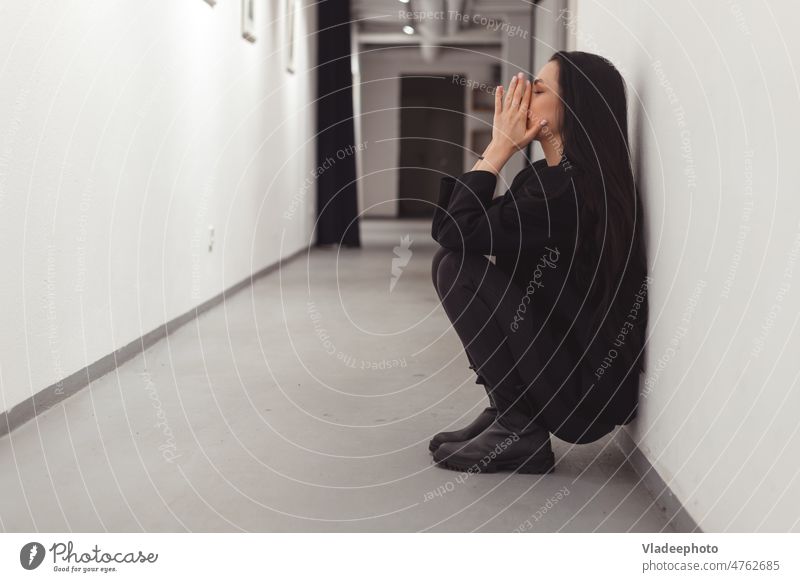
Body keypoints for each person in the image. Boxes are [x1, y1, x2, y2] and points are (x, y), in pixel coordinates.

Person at [429, 51, 649, 474]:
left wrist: (497, 148)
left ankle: (518, 426)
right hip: (563, 364)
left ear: (575, 109)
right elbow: (456, 229)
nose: (524, 93)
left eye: (541, 88)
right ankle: (510, 412)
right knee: (450, 262)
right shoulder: (547, 180)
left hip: (583, 391)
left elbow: (458, 232)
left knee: (456, 267)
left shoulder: (569, 192)